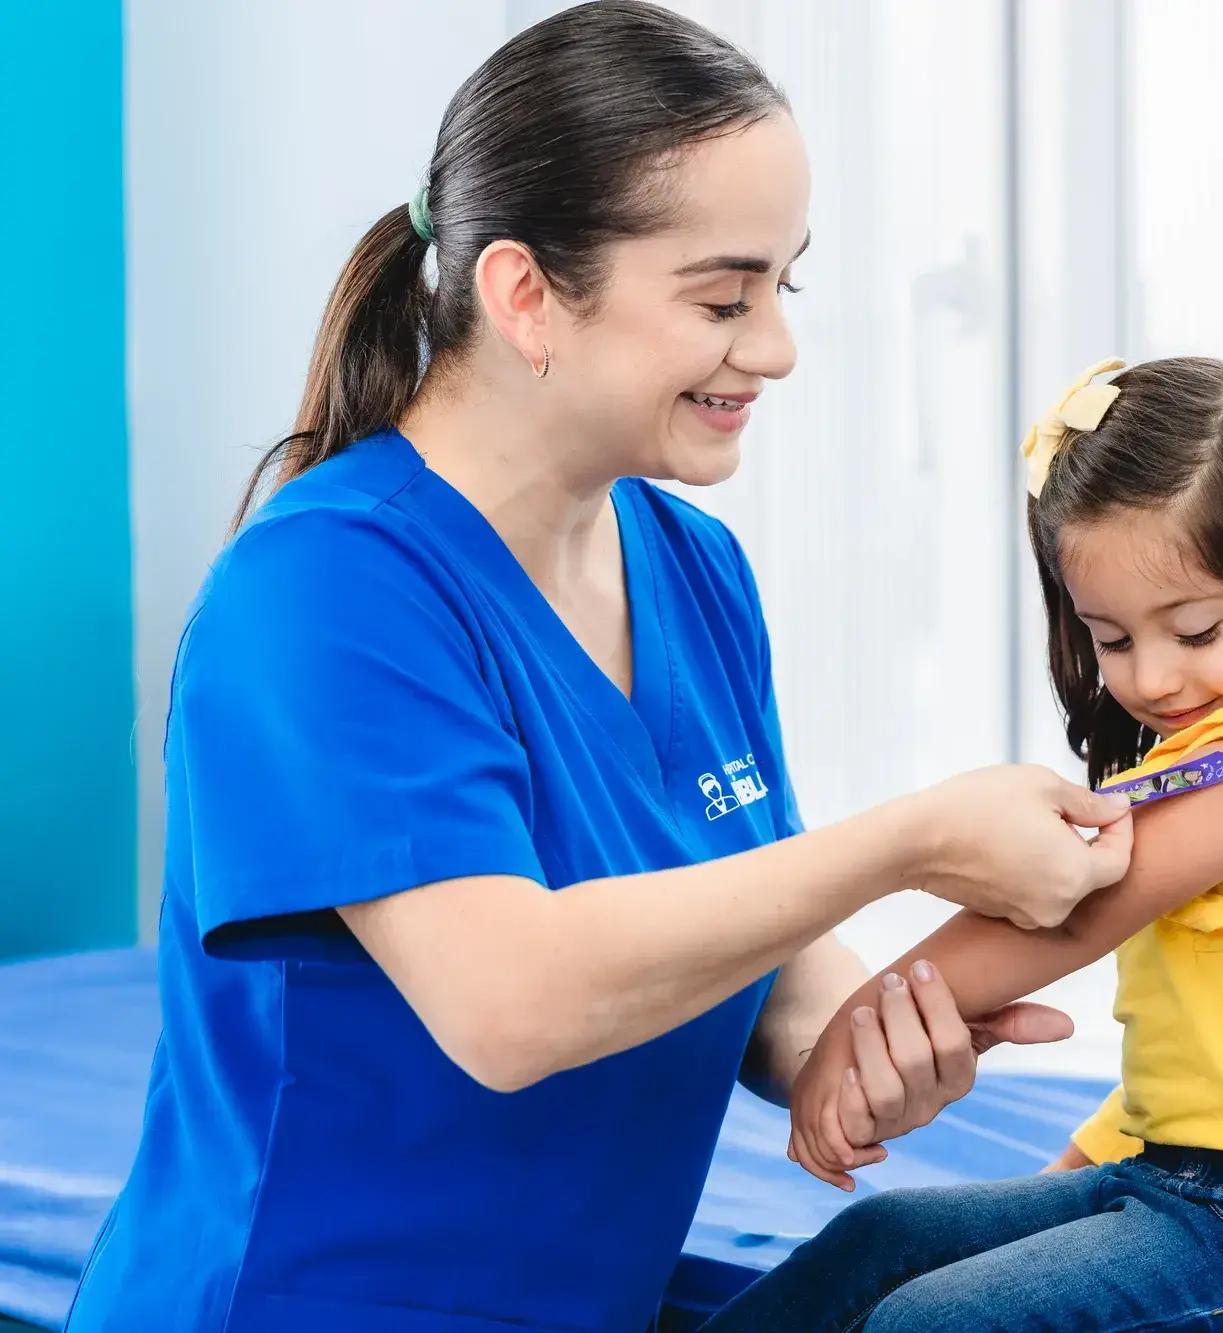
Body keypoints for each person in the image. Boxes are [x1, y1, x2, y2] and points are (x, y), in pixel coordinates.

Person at [62, 8, 1132, 1333]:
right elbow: (513, 1001)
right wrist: (912, 841)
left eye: (782, 289)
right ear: (525, 295)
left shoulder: (695, 571)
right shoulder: (325, 591)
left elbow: (759, 943)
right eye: (722, 298)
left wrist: (850, 1044)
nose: (777, 348)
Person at [699, 357, 1223, 1332]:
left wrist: (854, 1032)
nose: (1150, 678)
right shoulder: (1220, 767)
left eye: (1193, 631)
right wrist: (1066, 1193)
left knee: (930, 1323)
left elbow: (1057, 910)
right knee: (872, 1245)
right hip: (1167, 1183)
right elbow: (1214, 1075)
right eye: (1110, 639)